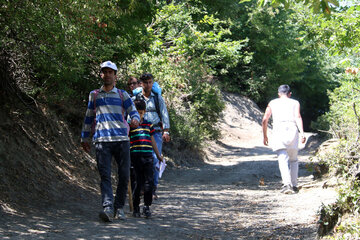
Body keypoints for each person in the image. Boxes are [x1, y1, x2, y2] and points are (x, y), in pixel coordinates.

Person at [81, 61, 140, 222]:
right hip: (101, 140)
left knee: (124, 175)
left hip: (122, 140)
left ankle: (119, 207)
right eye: (104, 72)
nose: (107, 75)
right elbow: (89, 117)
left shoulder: (123, 95)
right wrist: (84, 137)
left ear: (115, 75)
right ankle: (107, 208)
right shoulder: (94, 95)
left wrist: (135, 120)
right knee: (105, 176)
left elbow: (134, 112)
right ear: (101, 74)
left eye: (110, 72)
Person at [262, 84, 306, 194]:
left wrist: (265, 135)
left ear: (278, 94)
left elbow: (265, 119)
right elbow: (298, 117)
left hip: (278, 129)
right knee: (294, 159)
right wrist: (302, 133)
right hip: (292, 129)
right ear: (290, 94)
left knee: (282, 158)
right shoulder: (295, 103)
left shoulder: (272, 103)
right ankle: (294, 185)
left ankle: (287, 184)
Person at [135, 73, 170, 200]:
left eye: (150, 82)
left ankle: (153, 188)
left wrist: (166, 131)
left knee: (155, 159)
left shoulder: (157, 98)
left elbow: (164, 113)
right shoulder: (136, 97)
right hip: (140, 132)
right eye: (146, 83)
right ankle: (142, 187)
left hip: (155, 131)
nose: (148, 85)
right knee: (140, 159)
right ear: (141, 84)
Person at [129, 99, 163, 218]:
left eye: (141, 112)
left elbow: (153, 140)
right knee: (137, 183)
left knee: (149, 183)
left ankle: (147, 206)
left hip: (148, 157)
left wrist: (158, 155)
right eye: (137, 112)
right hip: (135, 157)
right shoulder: (130, 126)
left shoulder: (149, 125)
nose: (139, 115)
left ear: (144, 112)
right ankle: (136, 207)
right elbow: (127, 141)